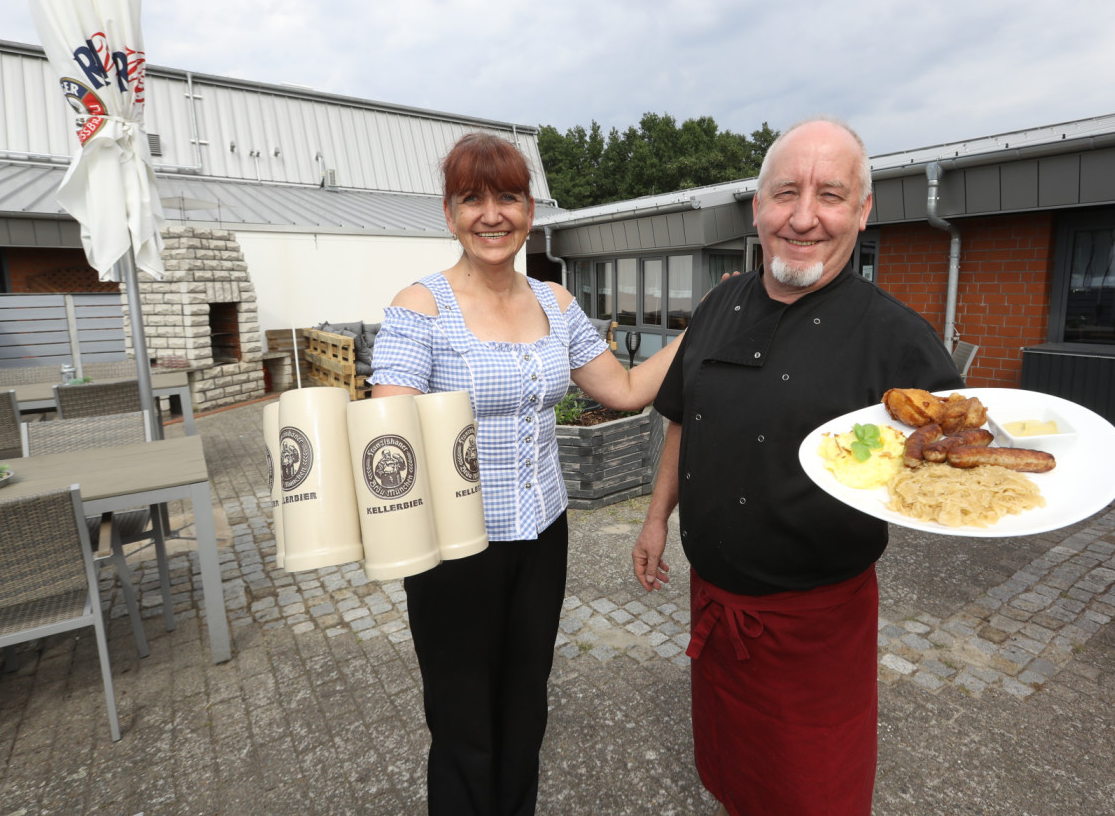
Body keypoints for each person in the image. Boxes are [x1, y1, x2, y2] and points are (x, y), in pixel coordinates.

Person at [631, 117, 963, 815]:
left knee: (815, 795)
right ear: (757, 207)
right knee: (731, 778)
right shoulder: (720, 304)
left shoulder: (897, 338)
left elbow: (952, 462)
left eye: (831, 195)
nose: (804, 217)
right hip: (716, 609)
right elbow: (683, 417)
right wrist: (656, 518)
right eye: (786, 193)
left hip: (816, 633)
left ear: (863, 211)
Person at [371, 132, 680, 815]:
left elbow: (624, 389)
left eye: (507, 196)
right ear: (449, 212)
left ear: (529, 210)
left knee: (525, 708)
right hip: (454, 550)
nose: (491, 213)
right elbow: (387, 423)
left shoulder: (556, 302)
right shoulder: (421, 306)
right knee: (462, 722)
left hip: (542, 536)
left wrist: (697, 331)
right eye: (472, 198)